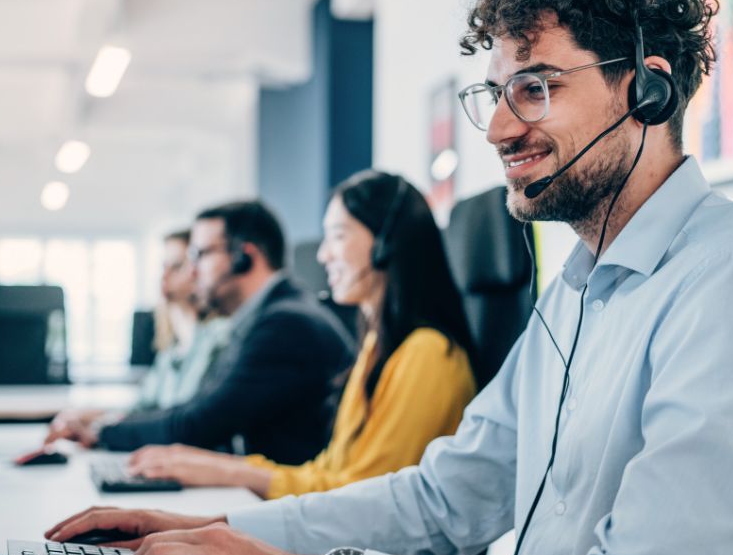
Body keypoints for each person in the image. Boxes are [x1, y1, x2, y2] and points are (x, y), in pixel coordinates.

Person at [45, 0, 733, 555]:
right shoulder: (575, 294)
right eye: (496, 94)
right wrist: (214, 529)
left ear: (645, 90)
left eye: (535, 88)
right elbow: (444, 501)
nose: (501, 128)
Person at [123, 170, 479, 498]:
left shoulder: (428, 354)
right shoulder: (377, 347)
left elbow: (365, 495)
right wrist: (227, 469)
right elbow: (330, 470)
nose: (323, 255)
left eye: (337, 235)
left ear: (386, 242)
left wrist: (233, 473)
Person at [60, 201, 355, 465]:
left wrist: (101, 432)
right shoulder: (263, 318)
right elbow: (194, 408)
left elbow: (197, 425)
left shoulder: (285, 325)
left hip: (291, 503)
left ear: (244, 256)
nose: (192, 272)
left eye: (200, 255)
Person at [44, 229, 231, 447]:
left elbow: (184, 421)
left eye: (176, 266)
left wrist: (101, 430)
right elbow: (142, 409)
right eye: (163, 267)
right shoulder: (172, 349)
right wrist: (88, 418)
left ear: (198, 270)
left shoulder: (220, 336)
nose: (164, 276)